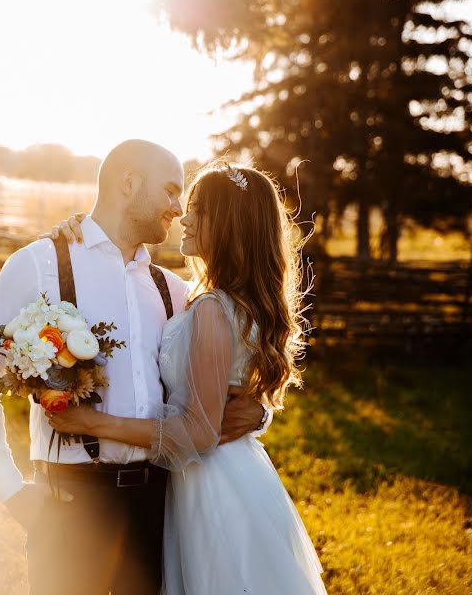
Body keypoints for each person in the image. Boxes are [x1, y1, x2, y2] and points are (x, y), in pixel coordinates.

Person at [0, 140, 269, 595]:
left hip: (157, 504)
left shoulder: (175, 292)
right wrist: (13, 492)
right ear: (128, 183)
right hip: (71, 501)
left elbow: (226, 376)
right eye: (171, 191)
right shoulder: (40, 266)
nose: (179, 209)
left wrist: (261, 413)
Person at [47, 162, 327, 593]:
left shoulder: (212, 308)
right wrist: (82, 231)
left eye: (198, 208)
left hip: (210, 486)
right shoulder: (206, 297)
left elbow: (198, 432)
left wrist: (90, 423)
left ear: (230, 225)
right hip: (231, 474)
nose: (183, 216)